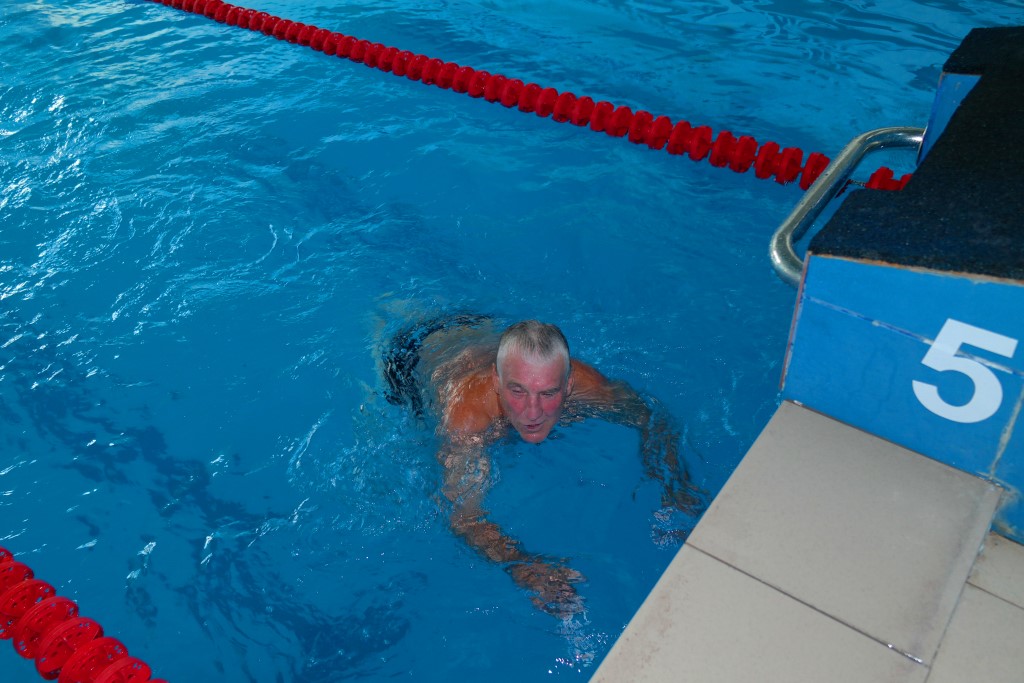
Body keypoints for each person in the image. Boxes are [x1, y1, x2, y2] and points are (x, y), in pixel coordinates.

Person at [383, 315, 700, 617]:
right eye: (517, 391)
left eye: (548, 393)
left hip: (476, 326)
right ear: (497, 381)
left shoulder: (589, 386)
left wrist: (674, 481)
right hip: (411, 355)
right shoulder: (468, 421)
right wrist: (522, 565)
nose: (532, 412)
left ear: (568, 385)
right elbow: (464, 515)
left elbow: (653, 420)